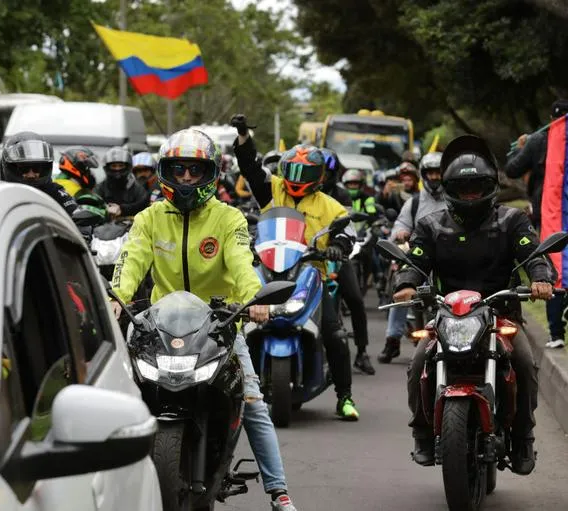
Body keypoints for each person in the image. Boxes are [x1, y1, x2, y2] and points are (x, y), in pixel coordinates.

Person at [110, 129, 297, 511]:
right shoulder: (148, 219)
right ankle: (112, 483)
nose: (186, 179)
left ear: (210, 174)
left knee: (254, 402)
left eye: (195, 171)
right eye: (178, 170)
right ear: (165, 172)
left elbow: (244, 266)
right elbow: (130, 262)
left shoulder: (229, 220)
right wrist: (117, 297)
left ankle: (279, 493)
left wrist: (253, 301)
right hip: (157, 329)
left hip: (219, 326)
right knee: (119, 395)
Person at [394, 135, 555, 474]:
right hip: (446, 315)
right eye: (462, 188)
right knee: (418, 364)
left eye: (476, 187)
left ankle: (524, 436)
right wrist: (406, 284)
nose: (470, 194)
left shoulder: (512, 221)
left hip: (501, 315)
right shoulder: (431, 224)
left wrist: (540, 278)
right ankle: (422, 434)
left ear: (489, 186)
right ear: (450, 188)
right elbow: (415, 261)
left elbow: (533, 254)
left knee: (525, 363)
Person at [231, 113, 360, 420]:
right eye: (292, 170)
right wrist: (243, 138)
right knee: (234, 325)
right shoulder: (273, 189)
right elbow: (250, 168)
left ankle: (344, 398)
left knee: (336, 336)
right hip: (269, 269)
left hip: (310, 273)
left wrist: (338, 247)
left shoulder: (332, 206)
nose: (297, 177)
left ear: (319, 176)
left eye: (305, 172)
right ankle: (231, 390)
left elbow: (346, 233)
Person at [506, 98, 568, 349]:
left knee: (553, 265)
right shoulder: (542, 140)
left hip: (549, 215)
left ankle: (556, 333)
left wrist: (521, 149)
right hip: (552, 213)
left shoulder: (538, 140)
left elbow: (511, 168)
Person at [377, 152, 447, 363]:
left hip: (449, 260)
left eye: (438, 173)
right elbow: (400, 225)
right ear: (423, 175)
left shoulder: (455, 199)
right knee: (400, 292)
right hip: (418, 259)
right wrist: (400, 233)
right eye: (430, 173)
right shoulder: (414, 203)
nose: (434, 177)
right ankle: (393, 340)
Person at [323, 152, 376, 375]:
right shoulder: (299, 194)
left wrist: (338, 246)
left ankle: (362, 352)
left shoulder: (341, 194)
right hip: (305, 256)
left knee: (355, 299)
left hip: (336, 255)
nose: (318, 177)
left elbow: (347, 226)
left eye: (324, 172)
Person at [1, 131, 78, 216]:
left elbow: (74, 213)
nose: (31, 175)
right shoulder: (1, 195)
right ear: (10, 167)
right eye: (24, 168)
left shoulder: (54, 191)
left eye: (36, 168)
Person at [54, 146, 108, 222]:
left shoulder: (57, 182)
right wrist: (107, 212)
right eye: (87, 169)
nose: (90, 174)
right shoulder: (74, 190)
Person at [94, 147, 149, 219]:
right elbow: (93, 204)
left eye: (121, 166)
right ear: (107, 167)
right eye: (114, 166)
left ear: (127, 167)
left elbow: (143, 204)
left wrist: (122, 209)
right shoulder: (100, 188)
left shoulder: (137, 188)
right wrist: (106, 209)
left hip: (131, 227)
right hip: (103, 226)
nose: (117, 169)